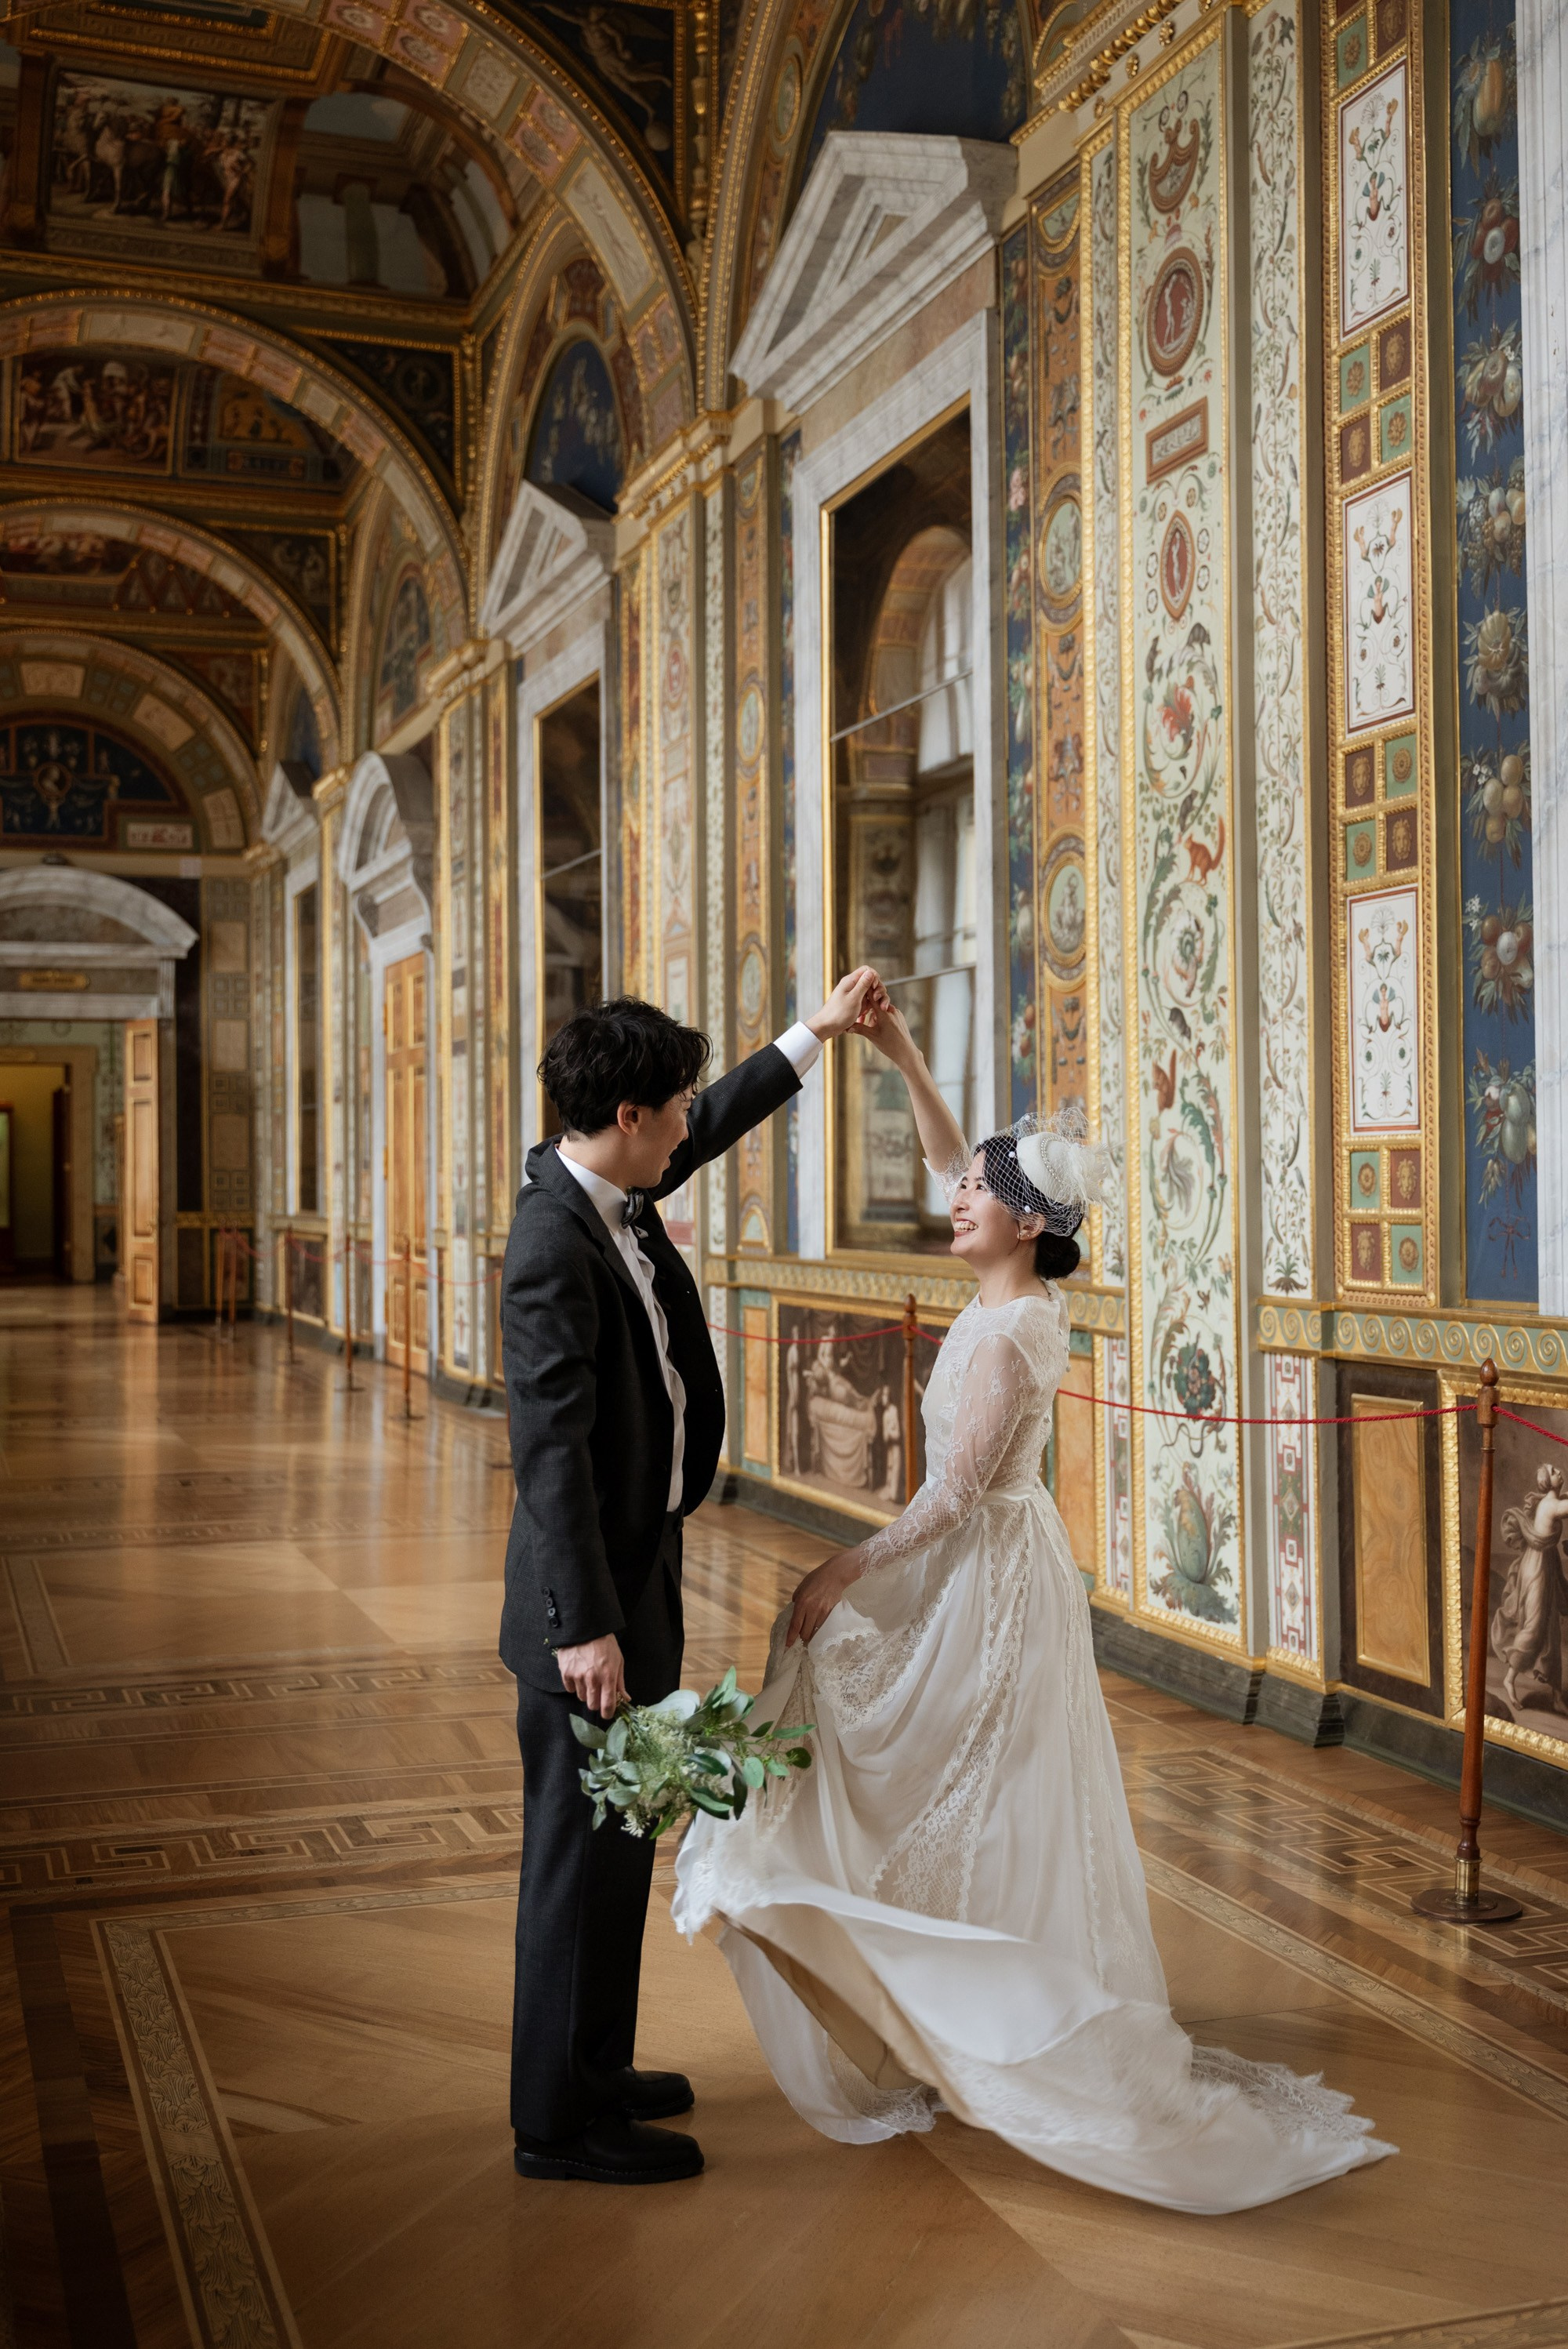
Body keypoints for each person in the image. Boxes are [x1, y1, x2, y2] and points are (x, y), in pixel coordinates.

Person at [673, 994, 1394, 2213]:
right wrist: (897, 1047)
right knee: (952, 1777)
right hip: (978, 1564)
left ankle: (993, 2011)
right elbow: (950, 1156)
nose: (955, 1196)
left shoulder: (1010, 1336)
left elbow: (953, 1499)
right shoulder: (1007, 1292)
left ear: (1030, 1223)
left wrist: (841, 1567)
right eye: (963, 1186)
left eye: (978, 1191)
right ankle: (943, 2003)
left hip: (989, 1577)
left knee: (979, 1783)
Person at [502, 973, 880, 2187]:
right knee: (578, 1860)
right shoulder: (553, 1244)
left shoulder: (617, 1181)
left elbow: (710, 1121)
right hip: (588, 1614)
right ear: (626, 1118)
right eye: (671, 1108)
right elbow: (550, 1455)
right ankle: (556, 2124)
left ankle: (597, 2070)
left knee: (623, 1839)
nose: (686, 1125)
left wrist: (815, 1034)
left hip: (642, 1577)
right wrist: (585, 1630)